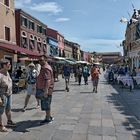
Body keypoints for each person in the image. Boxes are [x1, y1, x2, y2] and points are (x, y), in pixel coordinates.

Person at [36, 55, 54, 124]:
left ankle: (48, 118)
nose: (40, 61)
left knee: (46, 104)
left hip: (45, 89)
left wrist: (46, 90)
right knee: (47, 103)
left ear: (45, 60)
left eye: (41, 60)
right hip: (45, 89)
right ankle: (49, 116)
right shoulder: (45, 67)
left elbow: (48, 80)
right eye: (39, 60)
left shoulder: (45, 68)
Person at [0, 59, 16, 132]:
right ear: (4, 65)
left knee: (8, 109)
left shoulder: (7, 73)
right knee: (1, 111)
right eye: (8, 64)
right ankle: (1, 126)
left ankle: (9, 121)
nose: (10, 65)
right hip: (2, 95)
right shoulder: (0, 75)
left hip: (9, 94)